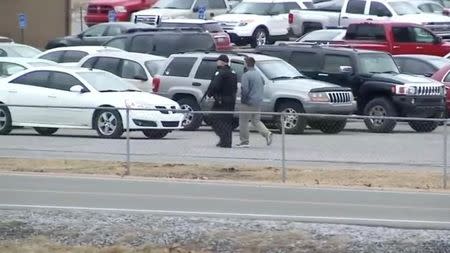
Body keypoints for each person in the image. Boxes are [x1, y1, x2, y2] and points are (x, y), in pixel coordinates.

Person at [236, 56, 272, 148]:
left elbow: (245, 89)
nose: (244, 64)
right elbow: (263, 83)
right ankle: (266, 133)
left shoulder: (246, 75)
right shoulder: (258, 74)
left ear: (247, 64)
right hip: (258, 100)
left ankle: (244, 141)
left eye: (244, 62)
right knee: (256, 120)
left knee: (243, 121)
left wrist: (243, 100)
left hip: (248, 101)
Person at [206, 54, 238, 148]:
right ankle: (226, 141)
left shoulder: (221, 72)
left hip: (221, 100)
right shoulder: (233, 72)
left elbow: (215, 86)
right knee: (227, 121)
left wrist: (210, 94)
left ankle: (225, 140)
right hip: (231, 100)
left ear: (222, 62)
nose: (217, 62)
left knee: (213, 119)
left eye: (218, 61)